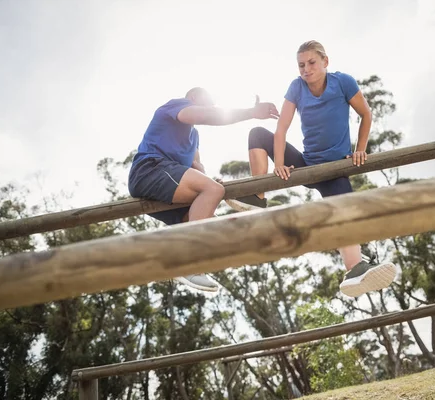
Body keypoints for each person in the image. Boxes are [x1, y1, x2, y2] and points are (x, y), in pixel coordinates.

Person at [227, 40, 398, 298]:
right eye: (301, 65)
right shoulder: (297, 87)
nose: (306, 69)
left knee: (342, 208)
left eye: (311, 63)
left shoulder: (343, 83)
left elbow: (366, 114)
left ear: (325, 62)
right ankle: (257, 196)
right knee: (257, 134)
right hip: (306, 165)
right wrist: (281, 163)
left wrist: (361, 148)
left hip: (334, 170)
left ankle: (355, 268)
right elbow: (281, 128)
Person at [128, 87, 279, 292]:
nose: (211, 106)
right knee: (213, 191)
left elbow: (196, 167)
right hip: (150, 170)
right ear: (192, 98)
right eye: (207, 101)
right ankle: (190, 264)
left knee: (210, 219)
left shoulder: (194, 136)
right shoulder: (176, 105)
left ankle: (176, 261)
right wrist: (251, 112)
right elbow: (208, 115)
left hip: (168, 182)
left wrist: (209, 181)